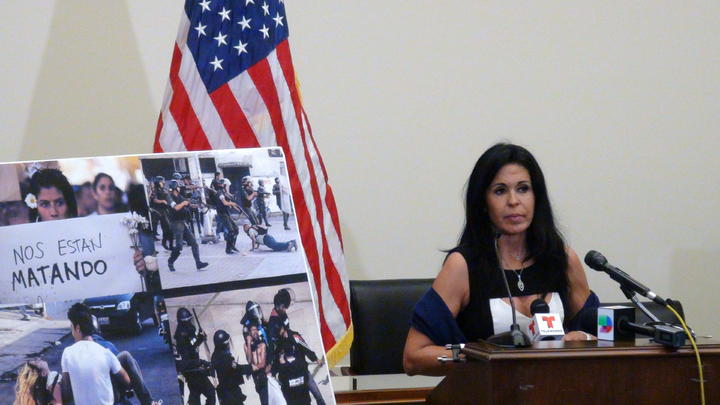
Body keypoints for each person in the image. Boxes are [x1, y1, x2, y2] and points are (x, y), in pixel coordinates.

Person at [402, 143, 599, 376]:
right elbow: (413, 357)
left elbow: (605, 334)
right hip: (487, 390)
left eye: (523, 189)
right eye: (500, 191)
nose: (513, 201)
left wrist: (584, 338)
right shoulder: (463, 266)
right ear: (483, 203)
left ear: (537, 197)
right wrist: (477, 356)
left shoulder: (562, 259)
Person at [61, 303, 131, 405]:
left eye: (72, 328)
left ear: (78, 328)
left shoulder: (67, 353)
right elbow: (127, 381)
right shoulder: (105, 352)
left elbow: (67, 391)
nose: (72, 333)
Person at [270, 313, 324, 405]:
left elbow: (305, 348)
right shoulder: (279, 342)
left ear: (283, 327)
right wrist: (273, 373)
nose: (277, 330)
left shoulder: (295, 336)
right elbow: (276, 358)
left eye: (279, 328)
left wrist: (315, 359)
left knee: (317, 395)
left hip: (302, 371)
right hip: (289, 375)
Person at [174, 307, 216, 405]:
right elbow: (186, 361)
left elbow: (192, 346)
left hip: (194, 371)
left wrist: (200, 338)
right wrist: (201, 362)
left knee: (195, 396)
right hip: (193, 372)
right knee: (210, 393)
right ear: (184, 322)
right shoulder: (181, 338)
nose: (191, 323)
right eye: (189, 321)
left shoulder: (186, 333)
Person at [167, 180, 209, 272]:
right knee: (179, 246)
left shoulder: (180, 196)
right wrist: (184, 203)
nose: (179, 188)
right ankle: (170, 261)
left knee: (194, 243)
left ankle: (198, 263)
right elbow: (176, 207)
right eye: (178, 187)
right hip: (176, 223)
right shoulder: (169, 197)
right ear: (175, 188)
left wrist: (199, 205)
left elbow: (189, 204)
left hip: (183, 222)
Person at [211, 330, 248, 405]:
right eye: (227, 343)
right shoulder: (226, 358)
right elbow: (237, 369)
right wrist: (251, 368)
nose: (229, 345)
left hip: (225, 393)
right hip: (231, 394)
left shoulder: (215, 355)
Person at [210, 178, 241, 254]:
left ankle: (232, 246)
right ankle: (228, 249)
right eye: (227, 186)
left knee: (236, 229)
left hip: (226, 213)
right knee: (231, 231)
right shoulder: (220, 193)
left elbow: (229, 201)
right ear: (224, 185)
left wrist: (238, 209)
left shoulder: (224, 193)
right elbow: (225, 203)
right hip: (222, 214)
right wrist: (233, 204)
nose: (228, 187)